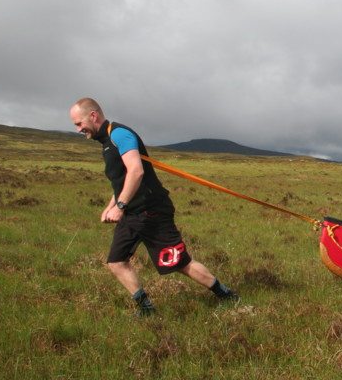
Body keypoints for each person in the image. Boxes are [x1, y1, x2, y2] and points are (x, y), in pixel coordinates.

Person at [69, 97, 238, 317]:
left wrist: (119, 206)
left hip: (151, 211)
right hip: (131, 212)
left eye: (79, 123)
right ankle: (146, 309)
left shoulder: (119, 134)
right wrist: (110, 206)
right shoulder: (106, 143)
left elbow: (136, 171)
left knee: (178, 262)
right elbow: (122, 180)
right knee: (116, 261)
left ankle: (225, 294)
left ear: (93, 115)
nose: (78, 129)